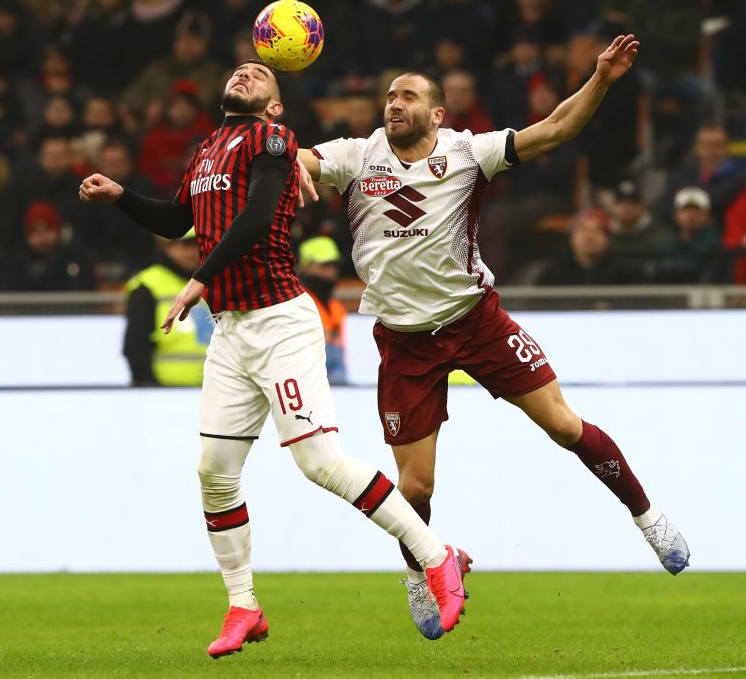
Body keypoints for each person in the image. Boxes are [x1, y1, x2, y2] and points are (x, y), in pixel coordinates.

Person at [297, 35, 690, 641]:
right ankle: (422, 570)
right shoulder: (356, 155)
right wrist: (283, 155)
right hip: (404, 342)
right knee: (416, 485)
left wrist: (603, 79)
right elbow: (300, 161)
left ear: (437, 113)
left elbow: (556, 129)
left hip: (476, 322)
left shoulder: (467, 153)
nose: (393, 104)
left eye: (408, 96)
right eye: (389, 96)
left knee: (563, 425)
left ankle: (648, 517)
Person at [78, 61, 470, 657]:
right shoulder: (209, 147)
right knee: (214, 468)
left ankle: (438, 558)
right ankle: (244, 607)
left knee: (320, 463)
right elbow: (180, 219)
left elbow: (258, 216)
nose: (245, 73)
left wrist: (199, 280)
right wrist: (122, 198)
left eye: (260, 73)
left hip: (280, 320)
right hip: (233, 334)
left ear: (275, 105)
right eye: (238, 69)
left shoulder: (274, 141)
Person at [123, 229, 213, 387]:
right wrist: (149, 387)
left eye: (198, 244)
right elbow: (136, 346)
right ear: (169, 246)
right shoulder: (147, 285)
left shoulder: (214, 281)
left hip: (214, 392)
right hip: (165, 393)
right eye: (186, 245)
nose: (194, 251)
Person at [297, 236, 347, 385]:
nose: (331, 271)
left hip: (335, 385)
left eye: (334, 265)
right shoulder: (295, 303)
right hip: (306, 383)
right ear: (306, 266)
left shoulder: (337, 308)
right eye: (324, 265)